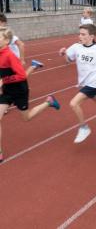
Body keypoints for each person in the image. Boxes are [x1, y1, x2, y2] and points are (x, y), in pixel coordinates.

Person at [0, 27, 60, 162]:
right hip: (7, 90)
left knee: (26, 117)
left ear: (6, 41)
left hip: (20, 90)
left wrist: (5, 80)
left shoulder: (9, 55)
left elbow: (21, 75)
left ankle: (49, 101)